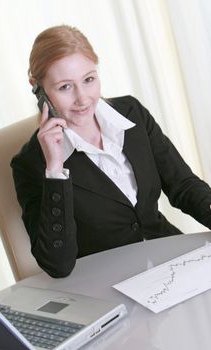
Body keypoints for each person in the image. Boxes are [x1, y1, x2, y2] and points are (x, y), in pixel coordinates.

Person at [11, 25, 211, 278]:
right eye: (65, 87)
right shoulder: (31, 164)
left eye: (89, 80)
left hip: (170, 263)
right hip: (107, 286)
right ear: (38, 89)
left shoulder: (131, 113)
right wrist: (54, 170)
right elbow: (57, 265)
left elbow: (183, 186)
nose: (83, 98)